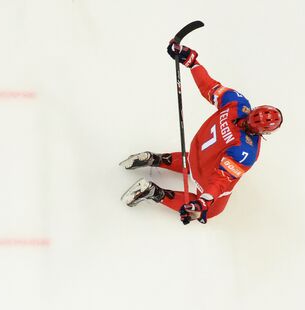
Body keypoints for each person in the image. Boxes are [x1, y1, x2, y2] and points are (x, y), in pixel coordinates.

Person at [119, 40, 283, 224]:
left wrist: (193, 63)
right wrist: (203, 202)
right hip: (207, 171)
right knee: (212, 211)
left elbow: (209, 87)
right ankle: (153, 191)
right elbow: (221, 180)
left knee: (193, 161)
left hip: (197, 152)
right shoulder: (246, 151)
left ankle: (154, 158)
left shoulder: (238, 103)